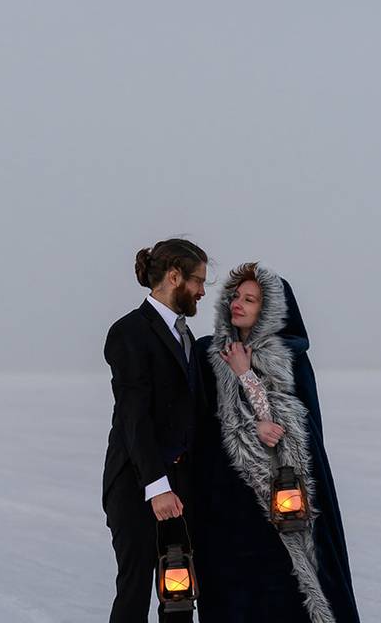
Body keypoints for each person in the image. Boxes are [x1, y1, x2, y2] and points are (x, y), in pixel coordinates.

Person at [193, 262, 360, 622]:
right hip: (226, 498)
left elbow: (293, 429)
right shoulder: (208, 353)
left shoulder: (289, 357)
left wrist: (245, 374)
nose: (238, 303)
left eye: (250, 300)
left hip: (282, 498)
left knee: (289, 587)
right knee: (232, 586)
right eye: (235, 296)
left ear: (269, 310)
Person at [102, 238, 209, 623]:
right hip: (136, 483)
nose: (200, 291)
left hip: (179, 484)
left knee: (178, 593)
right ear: (174, 276)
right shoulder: (129, 332)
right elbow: (135, 417)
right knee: (133, 590)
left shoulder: (186, 337)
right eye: (198, 281)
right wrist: (157, 486)